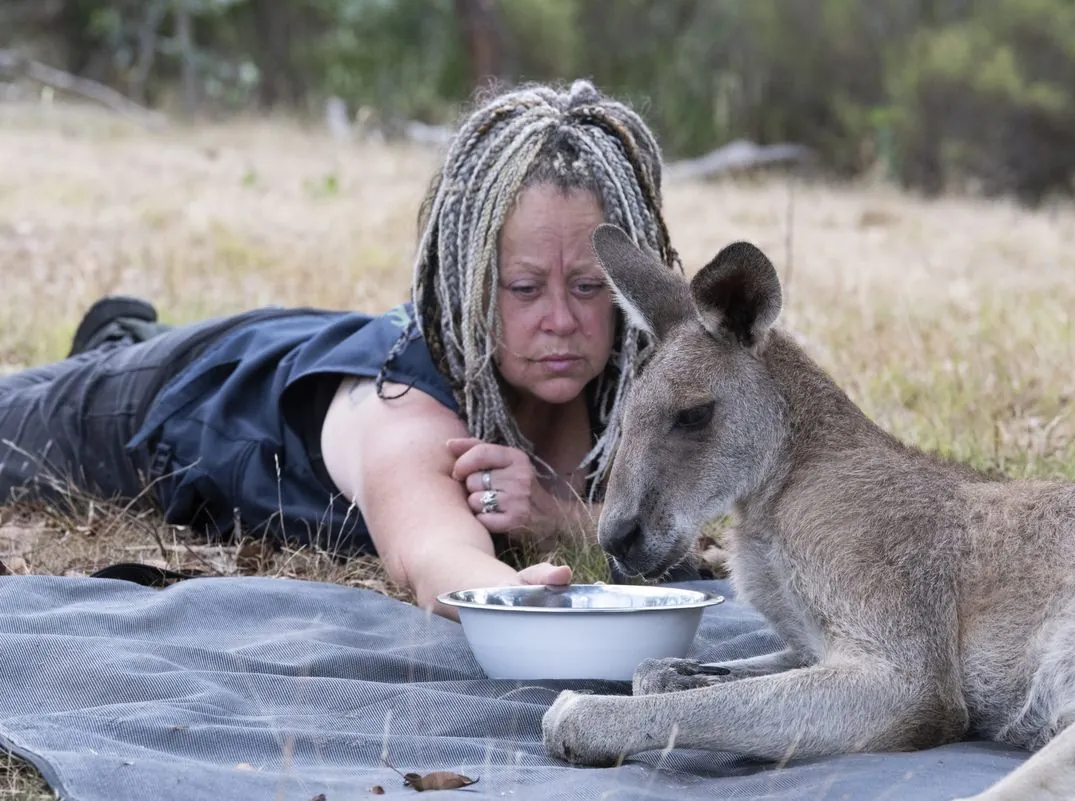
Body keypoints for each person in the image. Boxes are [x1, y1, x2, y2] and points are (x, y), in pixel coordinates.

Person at [0, 79, 696, 619]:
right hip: (186, 399)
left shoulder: (632, 382)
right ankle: (122, 344)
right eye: (522, 287)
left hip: (308, 341)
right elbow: (435, 555)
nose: (561, 320)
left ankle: (121, 331)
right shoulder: (404, 408)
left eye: (587, 286)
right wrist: (520, 601)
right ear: (466, 287)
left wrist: (557, 516)